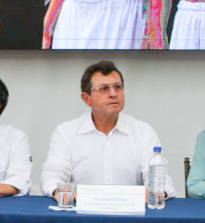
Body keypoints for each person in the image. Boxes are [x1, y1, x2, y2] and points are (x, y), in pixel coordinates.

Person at [40, 60, 176, 200]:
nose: (113, 94)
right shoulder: (66, 132)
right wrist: (62, 193)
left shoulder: (143, 132)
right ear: (86, 98)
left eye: (117, 87)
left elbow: (161, 181)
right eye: (104, 88)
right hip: (80, 215)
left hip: (132, 217)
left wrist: (157, 192)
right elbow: (52, 176)